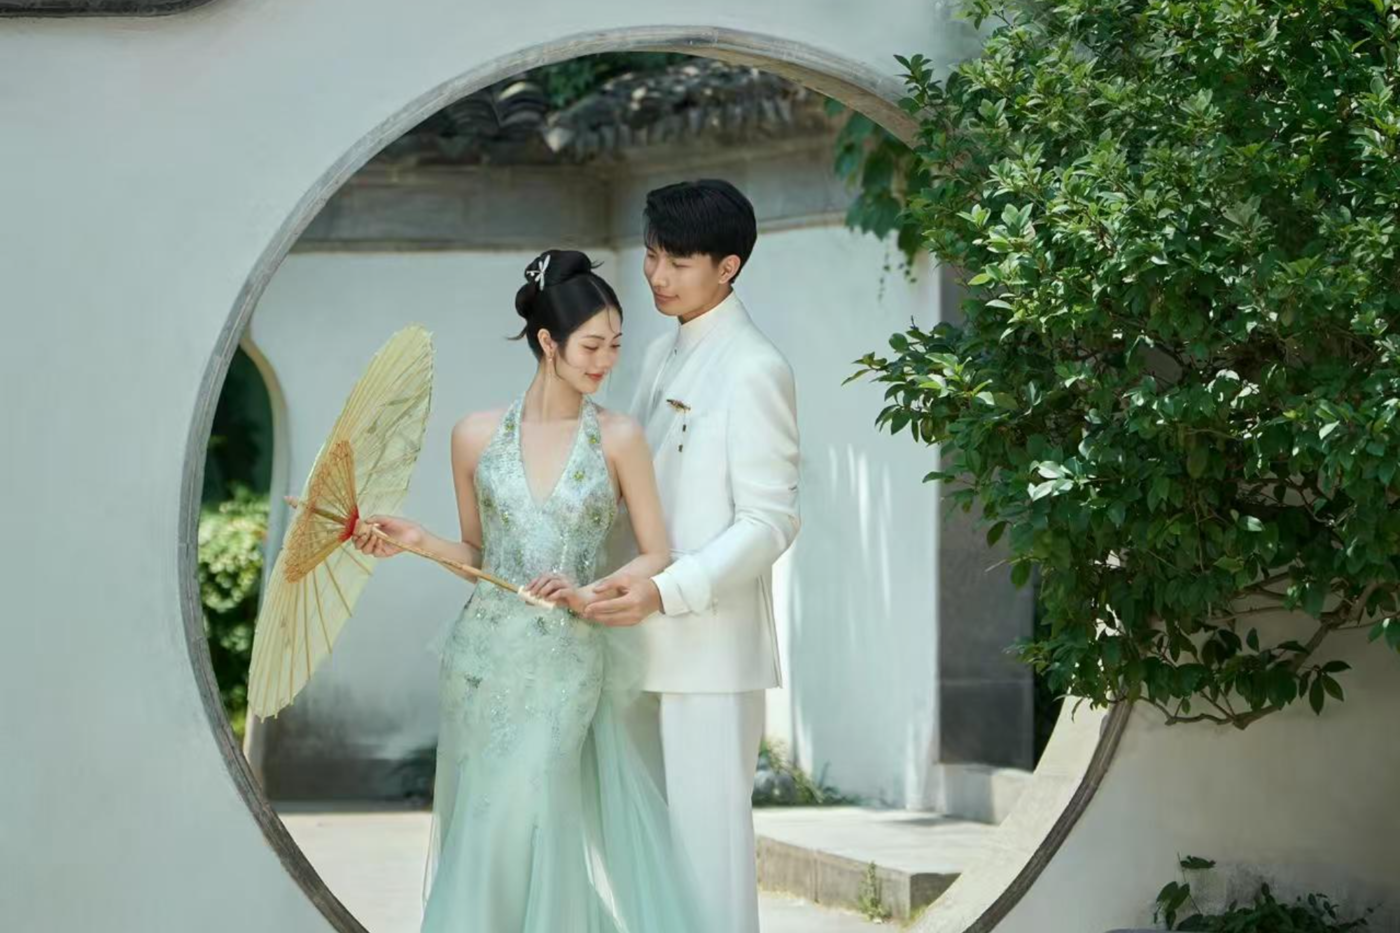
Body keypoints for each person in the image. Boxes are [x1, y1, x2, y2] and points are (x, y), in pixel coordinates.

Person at [350, 249, 703, 933]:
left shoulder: (619, 438)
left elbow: (657, 553)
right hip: (483, 659)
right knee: (487, 821)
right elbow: (478, 557)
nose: (606, 361)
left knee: (535, 809)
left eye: (615, 345)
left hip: (567, 659)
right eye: (591, 346)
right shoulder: (474, 436)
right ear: (548, 341)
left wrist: (590, 589)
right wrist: (417, 539)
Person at [583, 179, 802, 933]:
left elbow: (771, 521)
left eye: (678, 262)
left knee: (709, 858)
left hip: (709, 651)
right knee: (648, 854)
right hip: (634, 641)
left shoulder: (755, 367)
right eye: (652, 256)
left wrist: (669, 590)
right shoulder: (656, 353)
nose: (657, 276)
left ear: (728, 266)